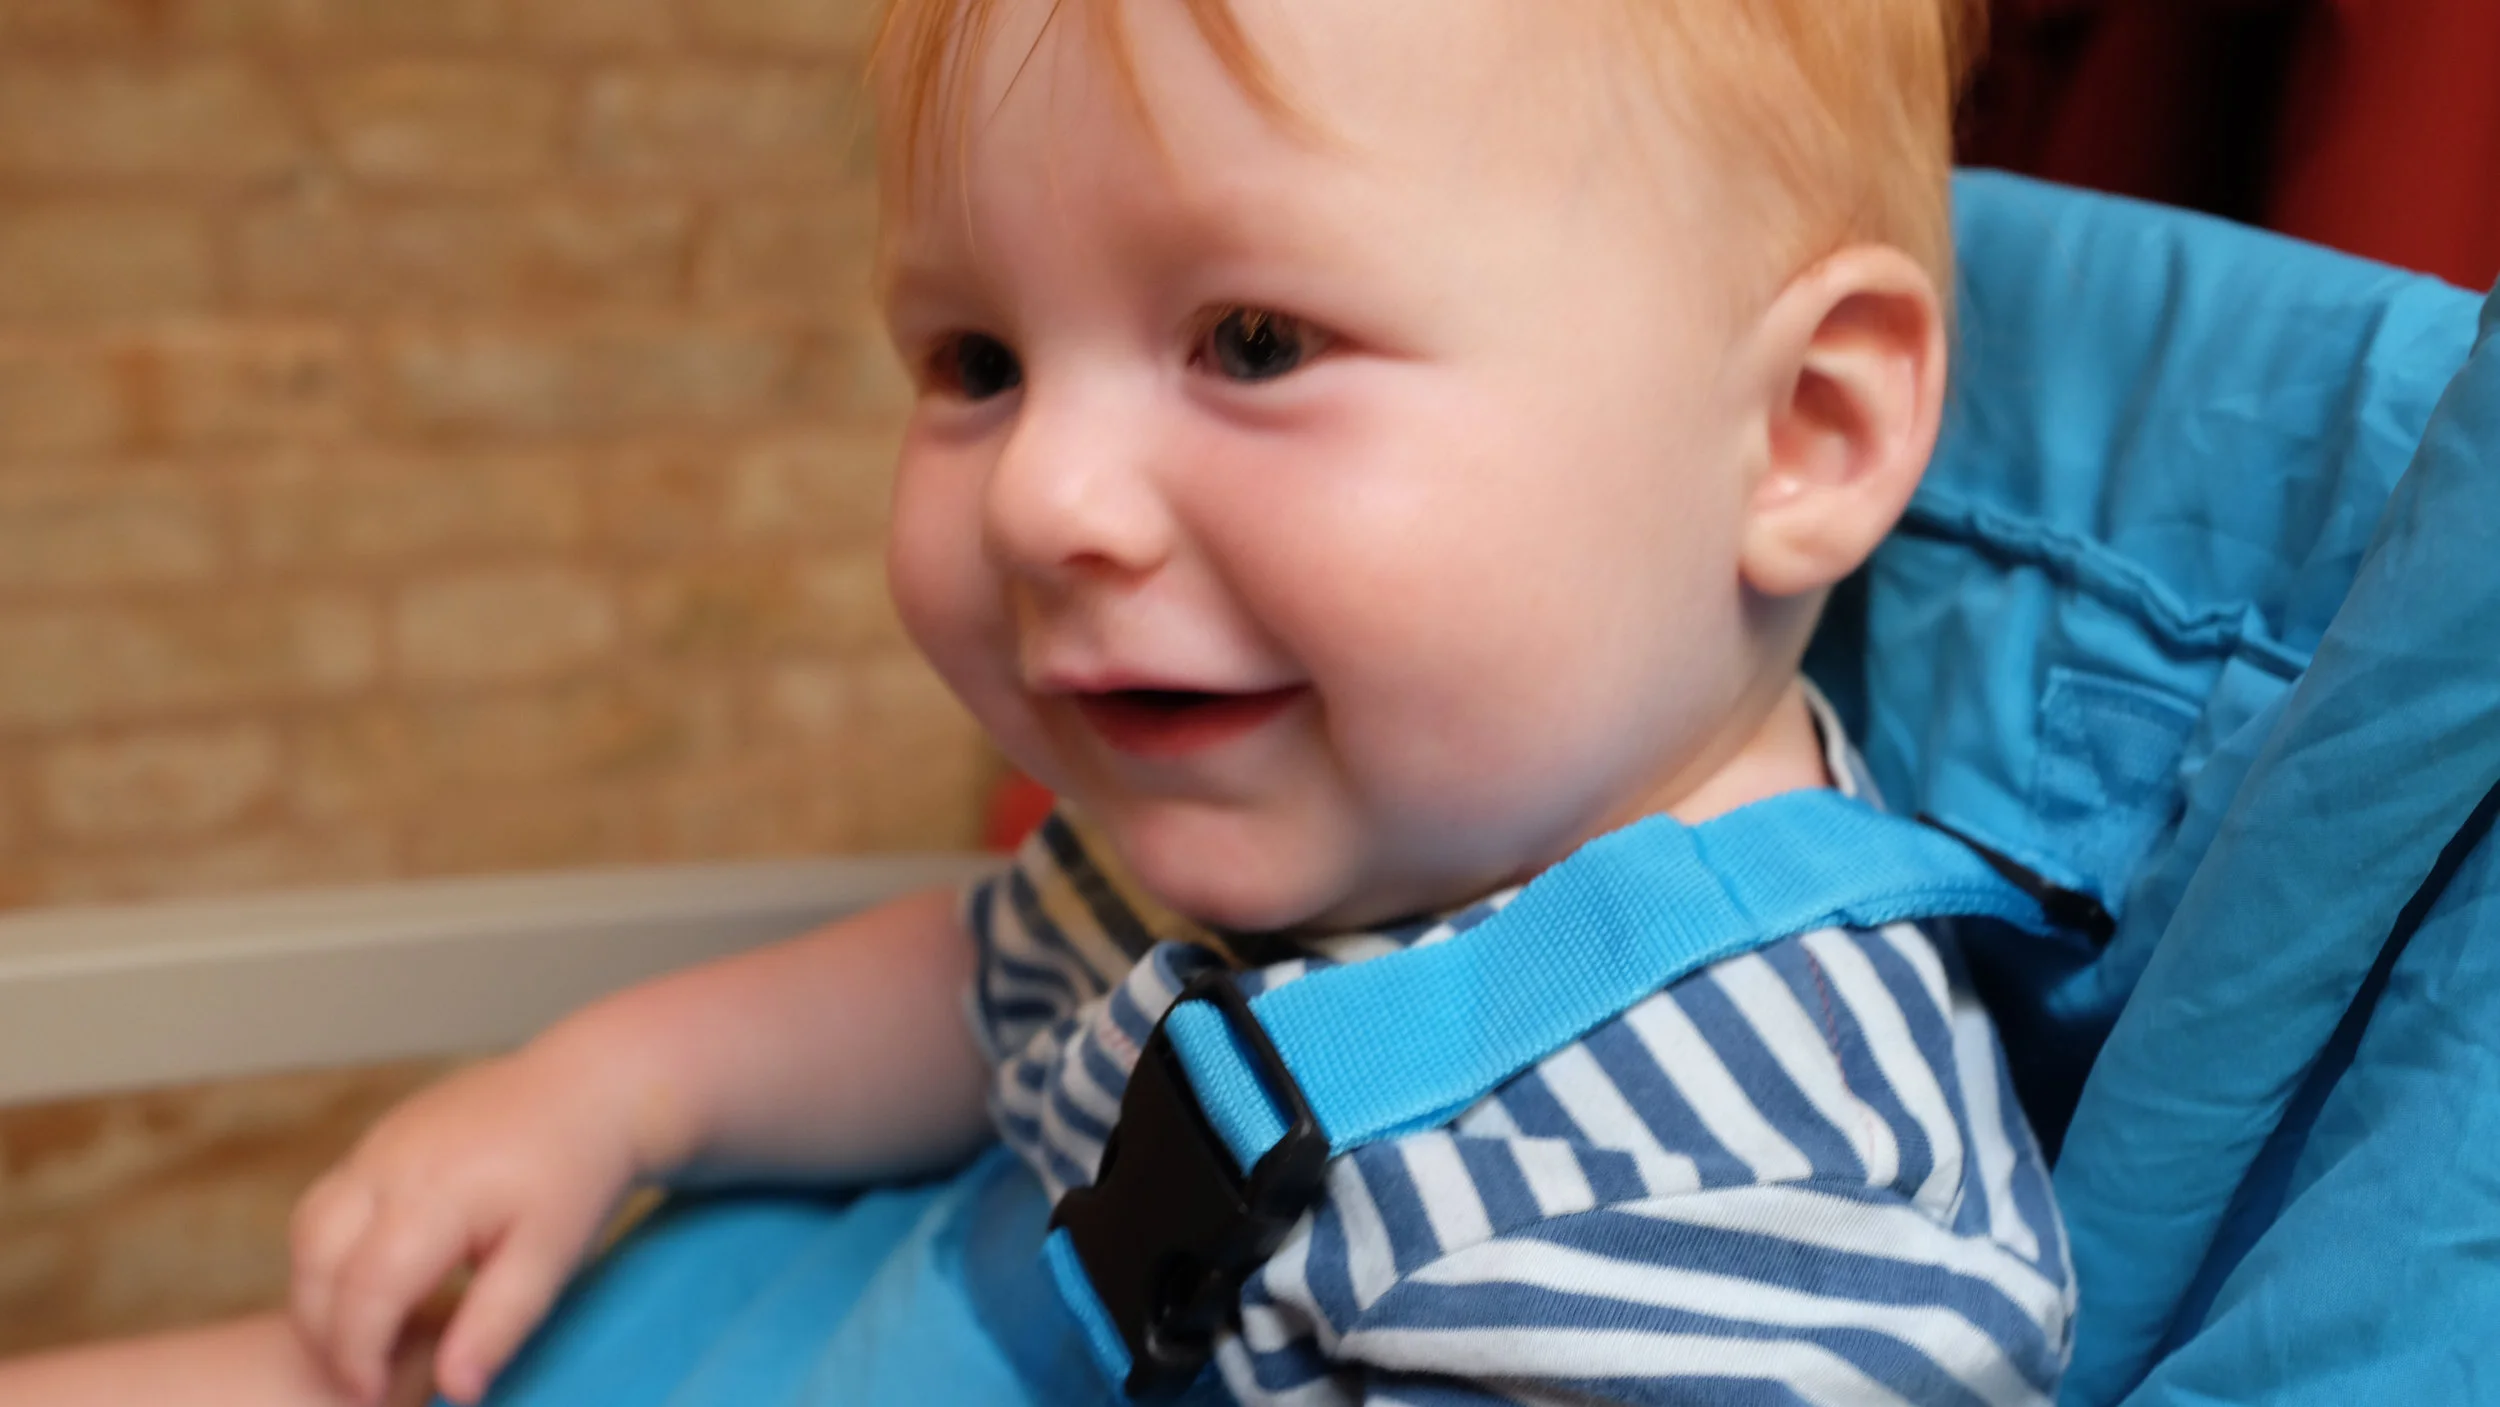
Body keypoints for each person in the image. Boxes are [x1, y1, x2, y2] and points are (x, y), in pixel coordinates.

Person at [0, 0, 2072, 1402]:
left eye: (1253, 340)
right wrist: (609, 1089)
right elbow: (972, 980)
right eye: (973, 362)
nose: (1038, 499)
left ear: (1799, 433)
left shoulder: (1760, 1218)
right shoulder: (1331, 833)